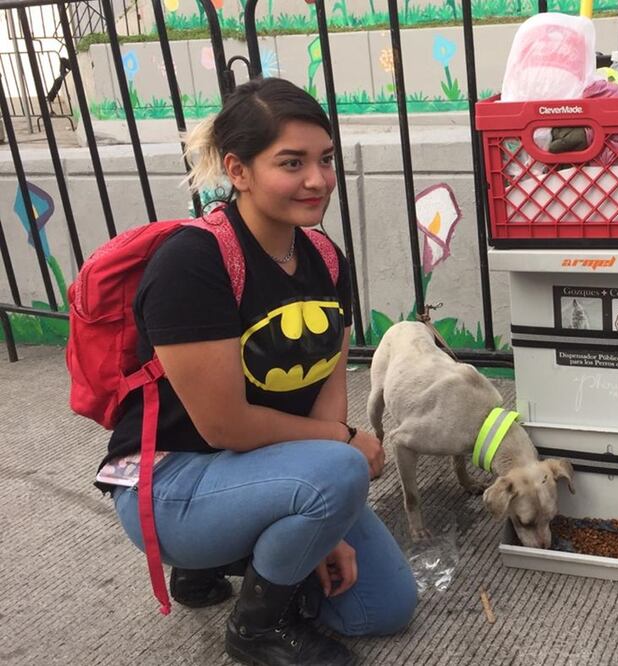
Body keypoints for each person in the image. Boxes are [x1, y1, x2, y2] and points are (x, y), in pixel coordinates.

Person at [96, 77, 417, 665]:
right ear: (237, 170)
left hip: (266, 473)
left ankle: (242, 556)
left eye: (325, 160)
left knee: (384, 607)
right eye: (291, 163)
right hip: (172, 485)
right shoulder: (193, 263)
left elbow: (328, 383)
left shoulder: (322, 256)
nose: (317, 180)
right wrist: (342, 453)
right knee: (343, 463)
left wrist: (328, 520)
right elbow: (226, 427)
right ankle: (254, 628)